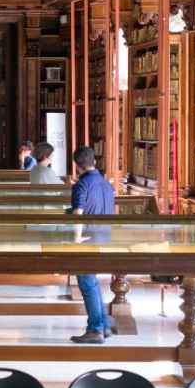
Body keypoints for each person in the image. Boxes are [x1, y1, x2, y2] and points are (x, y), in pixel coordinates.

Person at [68, 144, 115, 344]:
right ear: (94, 161)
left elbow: (78, 212)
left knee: (87, 284)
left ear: (77, 166)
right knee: (93, 284)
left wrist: (76, 239)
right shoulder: (106, 184)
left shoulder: (81, 185)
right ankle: (104, 326)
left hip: (88, 240)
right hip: (105, 238)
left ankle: (95, 329)